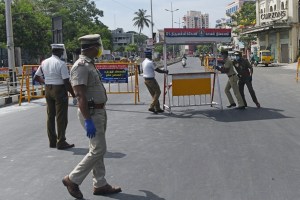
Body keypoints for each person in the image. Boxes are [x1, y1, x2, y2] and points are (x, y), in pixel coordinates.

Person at [62, 34, 121, 199]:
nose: (100, 49)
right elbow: (79, 95)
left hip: (99, 111)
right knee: (99, 148)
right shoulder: (80, 66)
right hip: (92, 113)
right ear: (91, 47)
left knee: (97, 149)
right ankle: (72, 179)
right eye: (98, 46)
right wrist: (88, 120)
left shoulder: (89, 64)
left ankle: (100, 184)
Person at [34, 44, 76, 149]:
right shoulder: (61, 64)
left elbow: (36, 76)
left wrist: (46, 82)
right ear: (60, 52)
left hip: (48, 89)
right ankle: (61, 141)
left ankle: (52, 142)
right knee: (61, 117)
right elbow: (66, 82)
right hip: (59, 90)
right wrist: (74, 95)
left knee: (50, 116)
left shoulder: (44, 62)